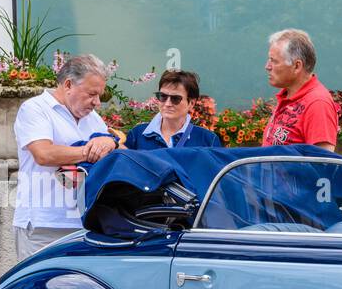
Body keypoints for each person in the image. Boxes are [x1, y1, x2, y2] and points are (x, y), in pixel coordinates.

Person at [13, 53, 121, 260]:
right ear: (69, 84)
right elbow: (43, 153)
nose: (97, 102)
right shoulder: (34, 109)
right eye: (92, 94)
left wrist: (111, 142)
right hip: (43, 226)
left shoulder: (94, 119)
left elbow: (116, 152)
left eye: (99, 95)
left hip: (85, 225)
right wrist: (89, 153)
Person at [261, 29, 338, 151]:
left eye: (274, 61)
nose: (267, 66)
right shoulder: (289, 96)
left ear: (297, 66)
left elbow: (323, 165)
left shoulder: (317, 103)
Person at [124, 70, 222, 149]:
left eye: (175, 99)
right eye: (163, 96)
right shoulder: (137, 135)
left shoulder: (208, 140)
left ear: (191, 103)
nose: (167, 103)